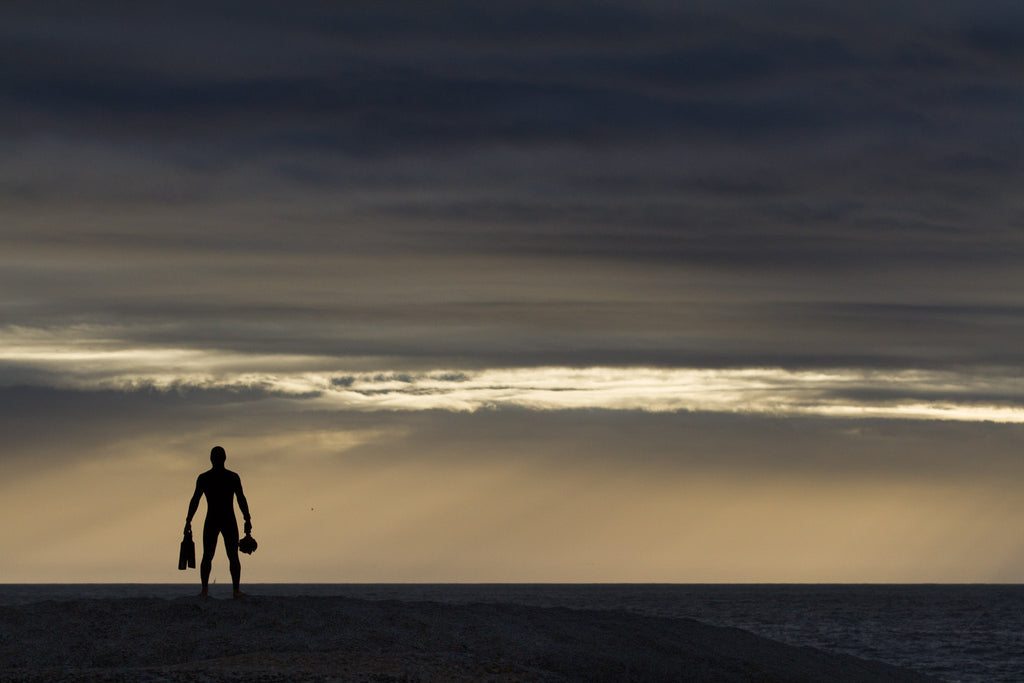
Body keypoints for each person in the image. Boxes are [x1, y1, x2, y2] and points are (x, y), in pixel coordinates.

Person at [185, 446, 252, 598]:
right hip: (227, 519)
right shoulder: (231, 477)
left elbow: (195, 500)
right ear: (224, 458)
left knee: (211, 556)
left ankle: (205, 590)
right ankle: (233, 590)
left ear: (211, 459)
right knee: (228, 556)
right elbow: (241, 499)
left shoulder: (205, 478)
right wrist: (247, 519)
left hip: (214, 520)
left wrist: (188, 520)